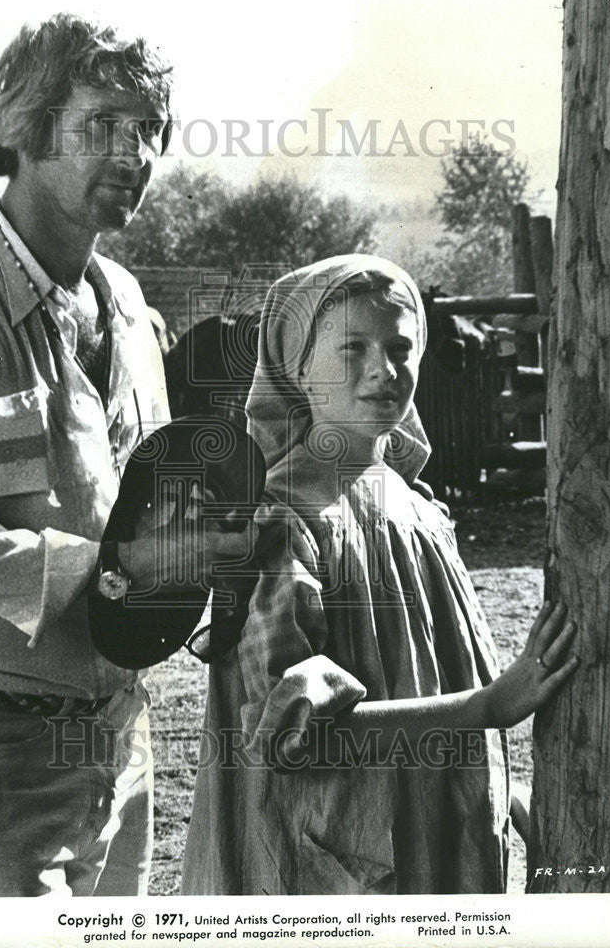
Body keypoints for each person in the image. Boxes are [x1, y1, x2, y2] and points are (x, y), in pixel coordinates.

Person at [0, 13, 248, 897]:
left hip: (120, 738)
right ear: (25, 127)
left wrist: (205, 570)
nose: (135, 154)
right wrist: (112, 571)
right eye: (104, 126)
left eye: (150, 131)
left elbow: (156, 498)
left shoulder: (127, 303)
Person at [181, 254, 578, 895]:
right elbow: (292, 736)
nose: (382, 370)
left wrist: (505, 792)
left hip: (433, 825)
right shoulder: (281, 520)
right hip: (337, 861)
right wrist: (488, 708)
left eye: (400, 346)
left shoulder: (418, 508)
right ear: (297, 368)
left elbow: (428, 668)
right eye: (353, 347)